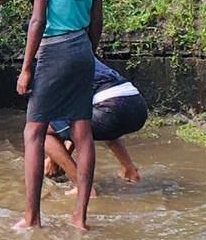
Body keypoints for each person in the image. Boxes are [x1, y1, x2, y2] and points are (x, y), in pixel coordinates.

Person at [15, 0, 104, 232]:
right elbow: (97, 19)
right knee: (82, 132)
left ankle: (32, 218)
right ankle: (80, 219)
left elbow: (37, 20)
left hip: (54, 48)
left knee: (34, 132)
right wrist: (90, 52)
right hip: (83, 46)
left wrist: (26, 69)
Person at [45, 58, 148, 186]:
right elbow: (77, 120)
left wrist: (54, 160)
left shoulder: (49, 63)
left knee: (43, 131)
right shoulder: (80, 50)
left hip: (110, 107)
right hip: (137, 105)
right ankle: (130, 170)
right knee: (103, 124)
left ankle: (82, 187)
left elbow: (64, 118)